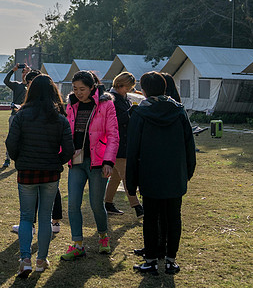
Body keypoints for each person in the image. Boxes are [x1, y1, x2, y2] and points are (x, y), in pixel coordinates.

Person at [126, 71, 196, 276]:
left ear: (144, 90)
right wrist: (187, 171)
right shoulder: (179, 110)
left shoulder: (140, 113)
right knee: (174, 217)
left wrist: (131, 180)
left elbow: (133, 149)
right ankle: (170, 260)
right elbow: (188, 145)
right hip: (175, 173)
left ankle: (151, 261)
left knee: (151, 218)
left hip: (149, 173)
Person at [6, 75, 74, 277]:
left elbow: (11, 144)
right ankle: (41, 260)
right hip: (50, 173)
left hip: (26, 171)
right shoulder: (60, 119)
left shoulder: (21, 115)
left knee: (26, 217)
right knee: (45, 217)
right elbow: (69, 150)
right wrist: (56, 161)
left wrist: (20, 159)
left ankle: (25, 258)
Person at [60, 70, 119, 260]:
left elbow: (113, 135)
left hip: (98, 162)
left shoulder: (106, 104)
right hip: (76, 162)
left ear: (92, 87)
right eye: (75, 88)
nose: (78, 92)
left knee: (96, 204)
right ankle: (77, 244)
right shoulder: (71, 105)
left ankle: (103, 236)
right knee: (73, 204)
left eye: (82, 89)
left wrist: (109, 161)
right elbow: (66, 133)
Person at [103, 71, 143, 217]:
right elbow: (111, 121)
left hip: (124, 142)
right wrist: (128, 113)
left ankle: (107, 203)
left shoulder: (123, 97)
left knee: (116, 177)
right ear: (121, 85)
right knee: (127, 176)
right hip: (116, 143)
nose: (130, 90)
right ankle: (137, 206)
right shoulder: (110, 99)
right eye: (128, 87)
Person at [2, 63, 29, 168]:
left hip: (26, 116)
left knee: (25, 138)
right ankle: (7, 159)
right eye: (23, 72)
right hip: (15, 115)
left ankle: (22, 158)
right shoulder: (17, 85)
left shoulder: (32, 88)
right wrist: (13, 70)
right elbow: (6, 81)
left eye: (27, 73)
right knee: (11, 137)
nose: (24, 74)